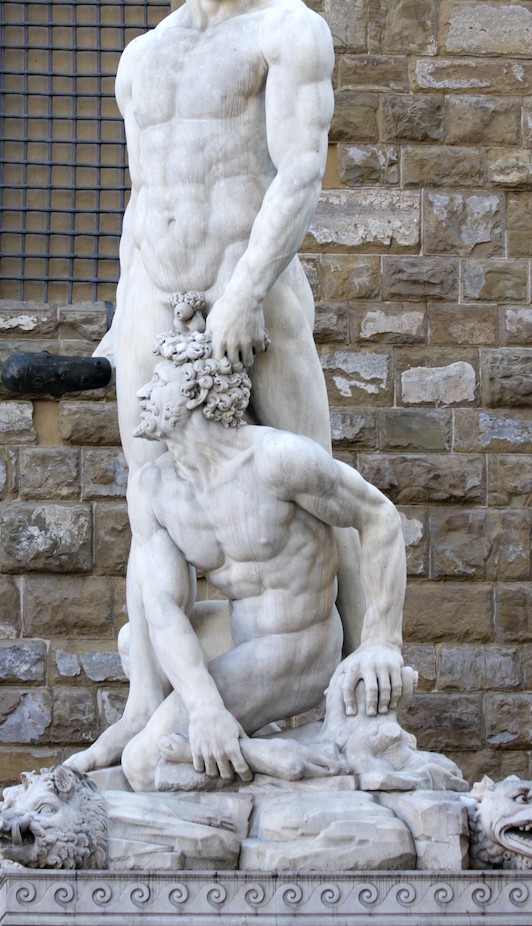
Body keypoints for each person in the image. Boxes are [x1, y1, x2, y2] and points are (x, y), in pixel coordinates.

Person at [72, 0, 365, 774]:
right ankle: (144, 705)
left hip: (258, 288)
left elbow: (301, 173)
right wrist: (127, 318)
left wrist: (242, 293)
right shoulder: (139, 59)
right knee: (151, 501)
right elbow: (143, 193)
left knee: (319, 490)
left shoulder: (289, 29)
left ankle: (360, 695)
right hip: (156, 296)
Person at [109, 328, 407, 794]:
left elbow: (379, 517)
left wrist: (381, 640)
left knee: (146, 762)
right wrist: (205, 706)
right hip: (241, 634)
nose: (141, 393)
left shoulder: (276, 459)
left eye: (157, 382)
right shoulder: (153, 487)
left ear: (194, 391)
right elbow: (163, 607)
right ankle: (262, 750)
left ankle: (270, 751)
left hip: (298, 645)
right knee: (135, 642)